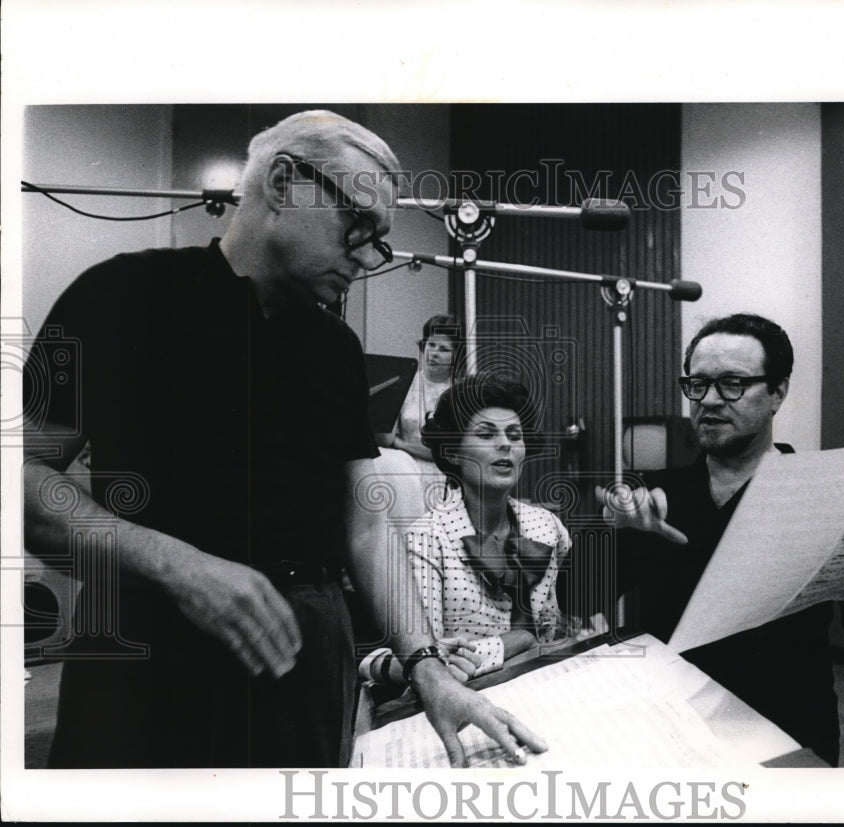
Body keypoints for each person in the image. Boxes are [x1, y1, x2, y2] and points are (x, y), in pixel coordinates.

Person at [23, 110, 545, 769]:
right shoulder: (121, 294)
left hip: (307, 663)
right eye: (357, 223)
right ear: (282, 181)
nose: (365, 253)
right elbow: (23, 479)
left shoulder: (336, 348)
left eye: (377, 239)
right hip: (147, 659)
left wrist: (427, 666)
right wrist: (179, 564)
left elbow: (367, 529)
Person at [597, 312, 844, 767]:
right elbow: (578, 599)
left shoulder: (828, 495)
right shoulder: (658, 495)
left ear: (778, 392)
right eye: (696, 384)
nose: (711, 400)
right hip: (673, 733)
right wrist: (611, 533)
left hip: (787, 736)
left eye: (732, 383)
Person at [360, 373, 574, 684]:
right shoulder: (426, 540)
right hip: (465, 700)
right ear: (452, 452)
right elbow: (430, 662)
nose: (505, 444)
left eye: (515, 435)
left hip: (549, 685)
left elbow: (565, 614)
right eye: (486, 435)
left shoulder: (547, 526)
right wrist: (519, 641)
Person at [373, 314, 460, 518]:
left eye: (444, 349)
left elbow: (450, 450)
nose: (434, 353)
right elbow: (385, 439)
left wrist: (401, 444)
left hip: (445, 478)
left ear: (456, 355)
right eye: (431, 345)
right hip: (404, 473)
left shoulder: (459, 391)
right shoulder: (405, 383)